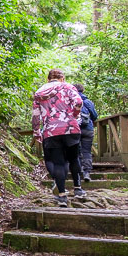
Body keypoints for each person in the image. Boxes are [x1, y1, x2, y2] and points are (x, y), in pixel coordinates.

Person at [32, 69, 84, 206]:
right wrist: (75, 114)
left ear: (48, 79)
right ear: (62, 78)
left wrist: (37, 131)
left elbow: (36, 115)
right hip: (70, 127)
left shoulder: (39, 93)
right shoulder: (68, 87)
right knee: (74, 158)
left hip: (51, 131)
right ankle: (78, 188)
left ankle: (62, 196)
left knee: (59, 163)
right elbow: (78, 102)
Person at [73, 83, 98, 180]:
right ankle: (87, 173)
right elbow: (95, 116)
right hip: (88, 129)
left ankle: (78, 172)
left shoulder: (71, 101)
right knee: (87, 151)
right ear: (82, 90)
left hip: (75, 129)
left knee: (77, 151)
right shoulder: (88, 102)